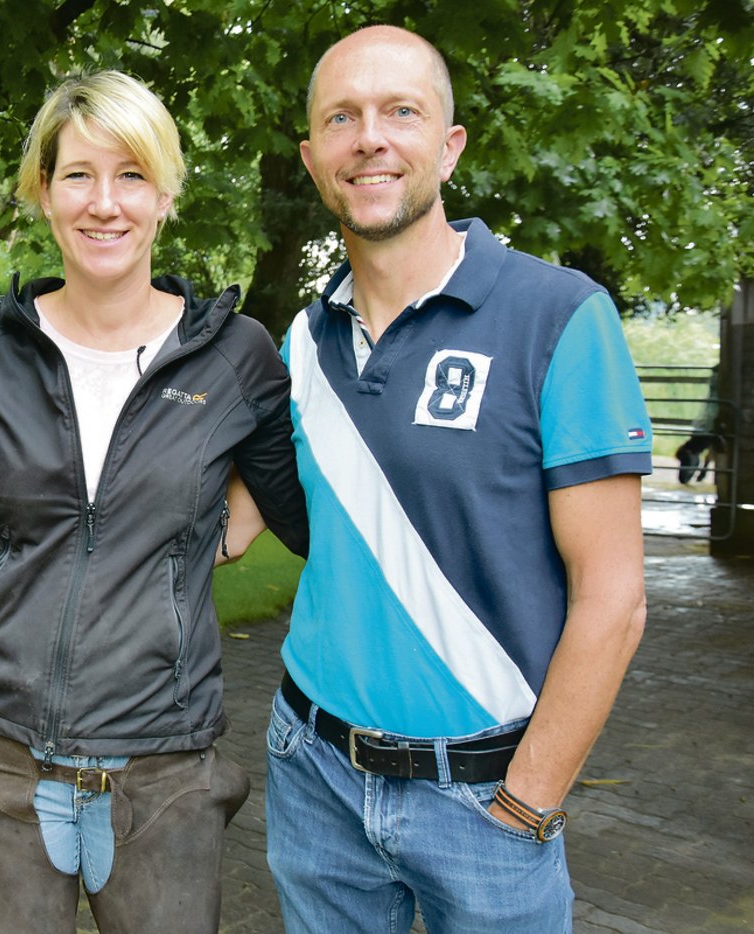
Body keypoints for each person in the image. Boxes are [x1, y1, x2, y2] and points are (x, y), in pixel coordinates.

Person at [0, 70, 308, 934]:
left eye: (131, 174)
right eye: (78, 175)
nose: (105, 203)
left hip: (163, 775)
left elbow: (306, 515)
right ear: (43, 193)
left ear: (166, 194)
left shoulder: (236, 359)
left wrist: (220, 529)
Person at [237, 24, 651, 932]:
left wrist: (528, 803)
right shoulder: (303, 344)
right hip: (315, 777)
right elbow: (215, 526)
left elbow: (614, 597)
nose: (370, 137)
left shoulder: (560, 317)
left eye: (401, 112)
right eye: (341, 117)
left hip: (489, 798)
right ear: (313, 159)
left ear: (449, 144)